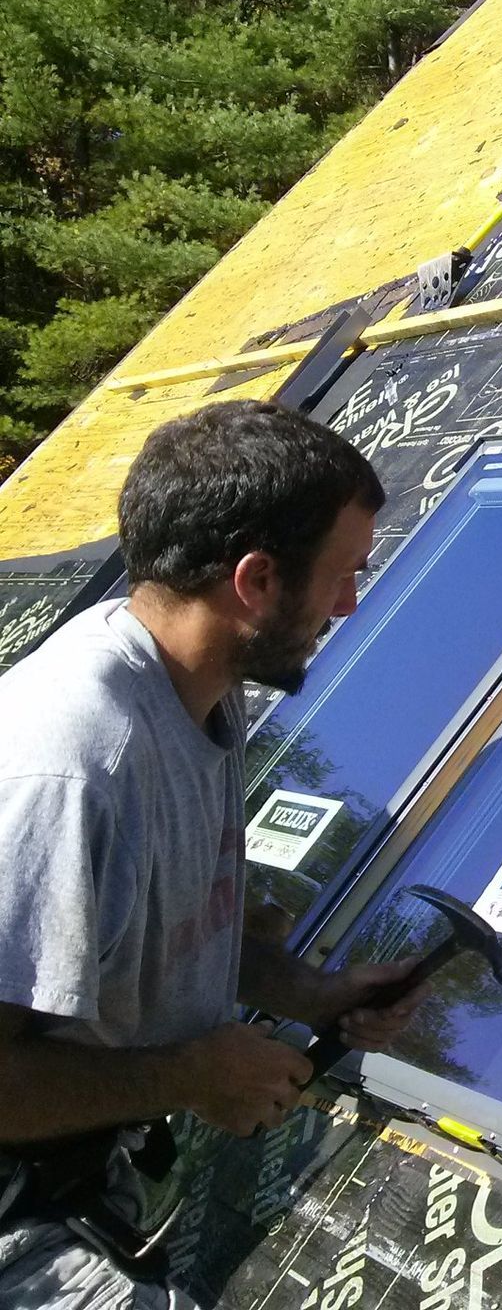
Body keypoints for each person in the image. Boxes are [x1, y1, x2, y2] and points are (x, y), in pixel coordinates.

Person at [0, 401, 432, 1307]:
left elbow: (150, 922)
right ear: (257, 580)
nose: (351, 605)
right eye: (342, 576)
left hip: (78, 1174)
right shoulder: (70, 764)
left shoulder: (203, 692)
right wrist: (191, 1076)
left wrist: (308, 991)